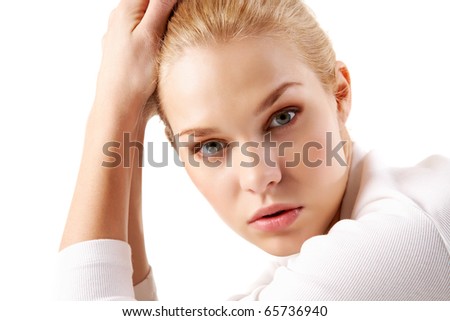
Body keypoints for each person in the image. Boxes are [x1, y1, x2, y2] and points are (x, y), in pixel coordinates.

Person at [56, 0, 450, 300]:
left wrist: (111, 109)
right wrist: (129, 117)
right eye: (210, 146)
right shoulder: (344, 239)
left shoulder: (403, 238)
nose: (259, 176)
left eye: (283, 118)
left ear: (339, 94)